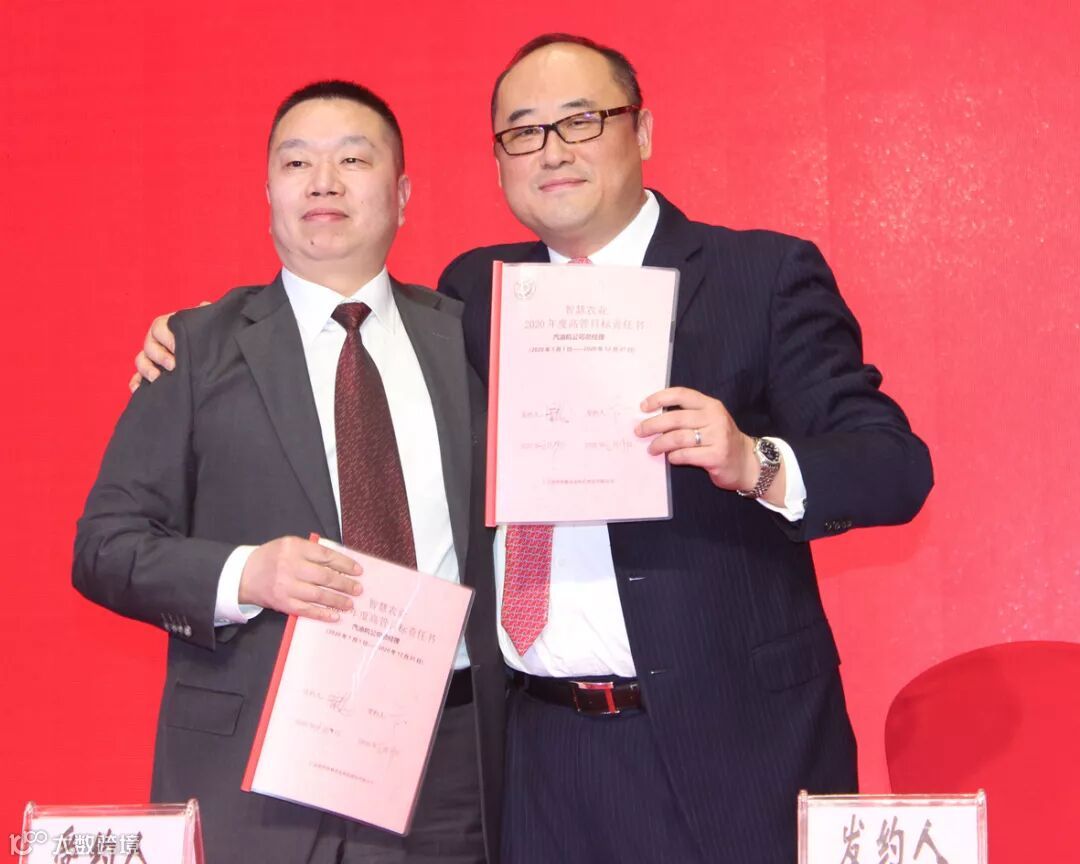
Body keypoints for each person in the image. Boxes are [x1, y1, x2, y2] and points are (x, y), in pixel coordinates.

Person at [131, 35, 933, 864]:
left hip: (729, 744)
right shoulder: (475, 293)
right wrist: (202, 332)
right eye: (523, 131)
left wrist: (753, 462)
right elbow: (338, 318)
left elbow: (894, 468)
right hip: (534, 753)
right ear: (499, 161)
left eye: (581, 121)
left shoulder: (758, 275)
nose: (552, 150)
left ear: (642, 131)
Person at [75, 81, 501, 864]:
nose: (323, 182)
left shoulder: (472, 340)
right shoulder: (195, 348)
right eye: (297, 162)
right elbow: (104, 547)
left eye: (354, 160)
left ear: (403, 195)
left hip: (449, 764)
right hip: (259, 766)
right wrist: (246, 574)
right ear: (268, 192)